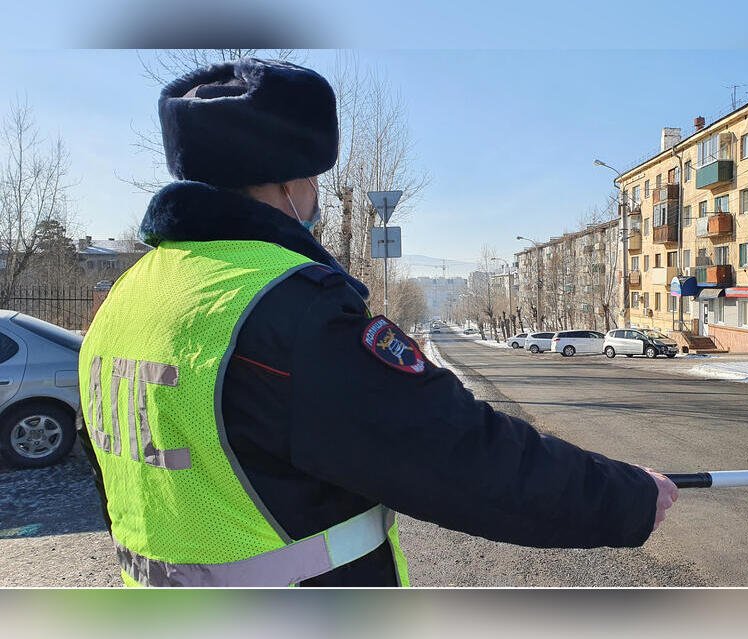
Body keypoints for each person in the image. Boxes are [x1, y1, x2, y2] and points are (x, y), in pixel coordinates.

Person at [78, 58, 678, 587]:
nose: (315, 195)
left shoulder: (130, 297)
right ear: (289, 182)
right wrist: (626, 496)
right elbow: (460, 455)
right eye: (314, 178)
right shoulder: (289, 308)